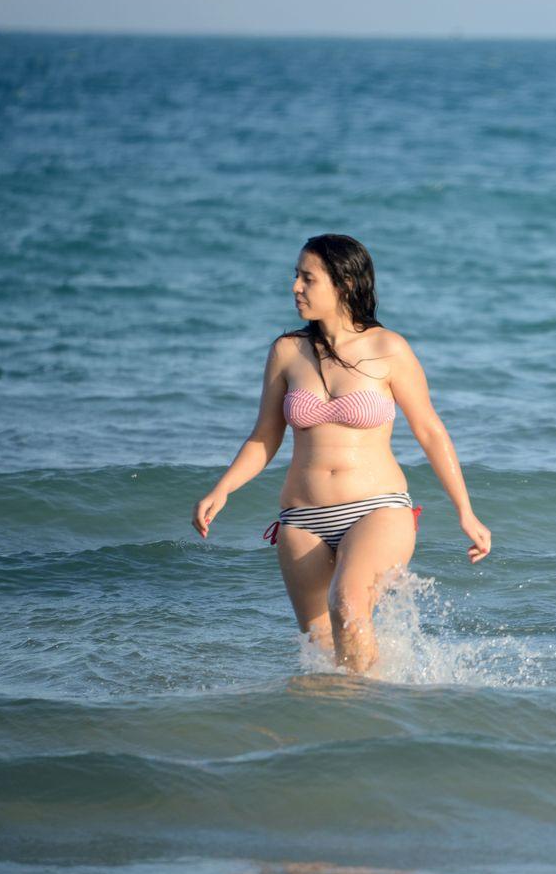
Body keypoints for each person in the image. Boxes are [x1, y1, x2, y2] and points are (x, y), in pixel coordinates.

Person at [192, 234, 491, 672]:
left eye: (307, 278)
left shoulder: (388, 348)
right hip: (302, 520)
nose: (295, 287)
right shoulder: (286, 351)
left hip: (378, 509)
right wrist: (222, 489)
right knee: (321, 651)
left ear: (344, 284)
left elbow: (430, 430)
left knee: (348, 604)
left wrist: (466, 511)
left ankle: (370, 721)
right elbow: (264, 436)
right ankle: (343, 729)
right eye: (295, 276)